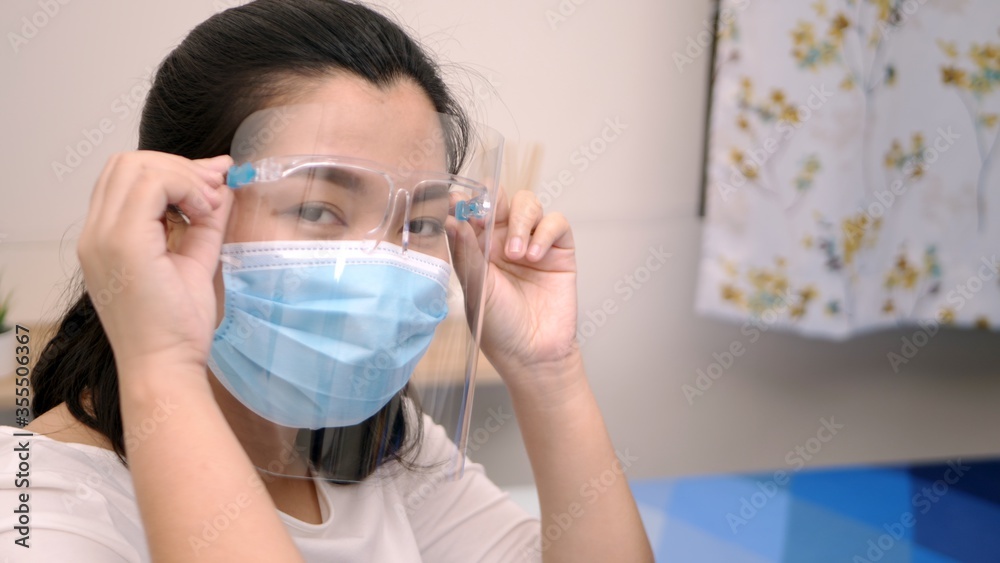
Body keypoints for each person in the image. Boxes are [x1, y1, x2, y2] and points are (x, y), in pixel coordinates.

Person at [0, 1, 653, 561]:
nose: (376, 266)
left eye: (420, 221)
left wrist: (549, 371)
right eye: (317, 209)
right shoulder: (36, 505)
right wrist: (161, 365)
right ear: (172, 217)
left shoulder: (386, 451)